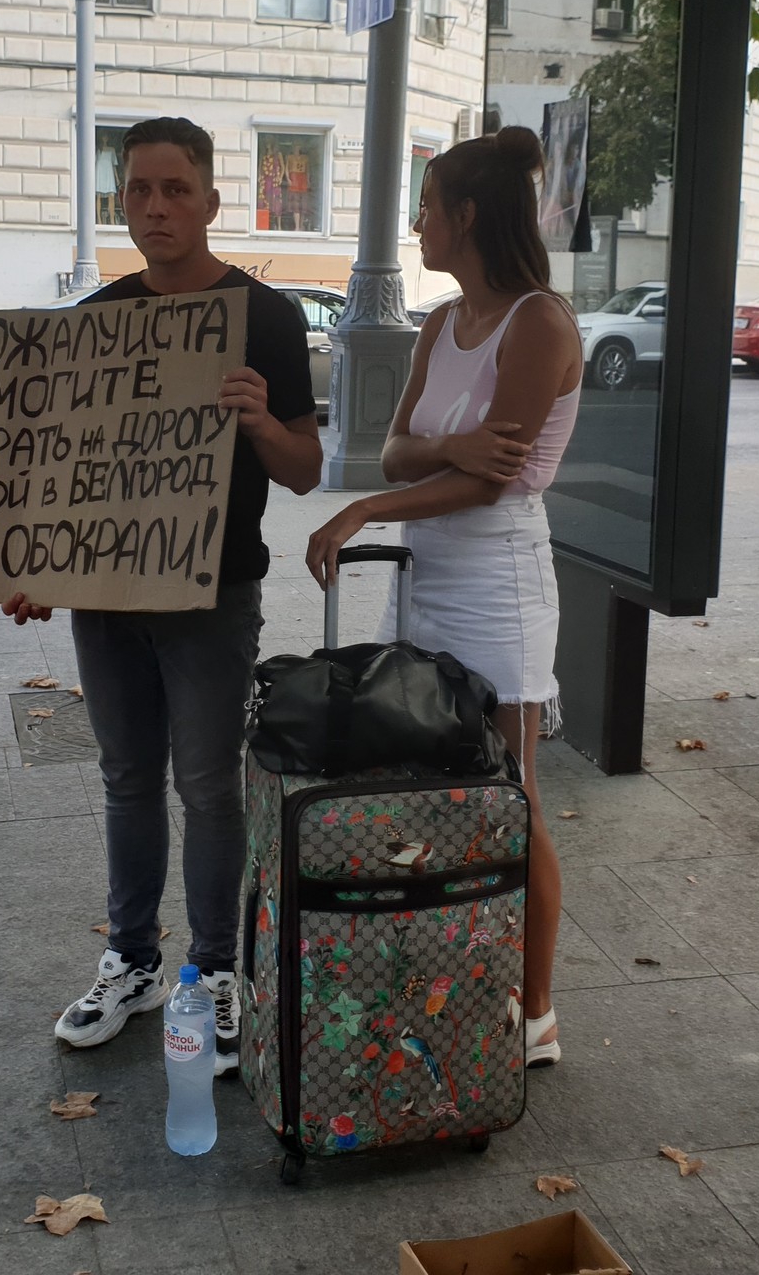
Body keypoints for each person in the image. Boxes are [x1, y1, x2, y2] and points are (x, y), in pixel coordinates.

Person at [1, 116, 323, 1075]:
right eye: (138, 189)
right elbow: (65, 471)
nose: (154, 206)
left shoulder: (267, 317)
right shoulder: (98, 317)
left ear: (213, 200)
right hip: (107, 596)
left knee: (209, 785)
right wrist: (36, 569)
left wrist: (261, 418)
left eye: (175, 188)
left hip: (214, 593)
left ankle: (215, 971)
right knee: (128, 780)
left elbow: (305, 470)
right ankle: (132, 961)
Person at [304, 127, 580, 1069]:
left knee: (511, 789)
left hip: (498, 577)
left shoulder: (539, 322)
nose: (416, 224)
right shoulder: (437, 323)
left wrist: (377, 507)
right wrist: (441, 454)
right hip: (429, 567)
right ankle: (460, 958)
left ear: (466, 217)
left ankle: (536, 1010)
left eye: (427, 207)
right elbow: (397, 447)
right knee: (431, 768)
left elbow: (494, 479)